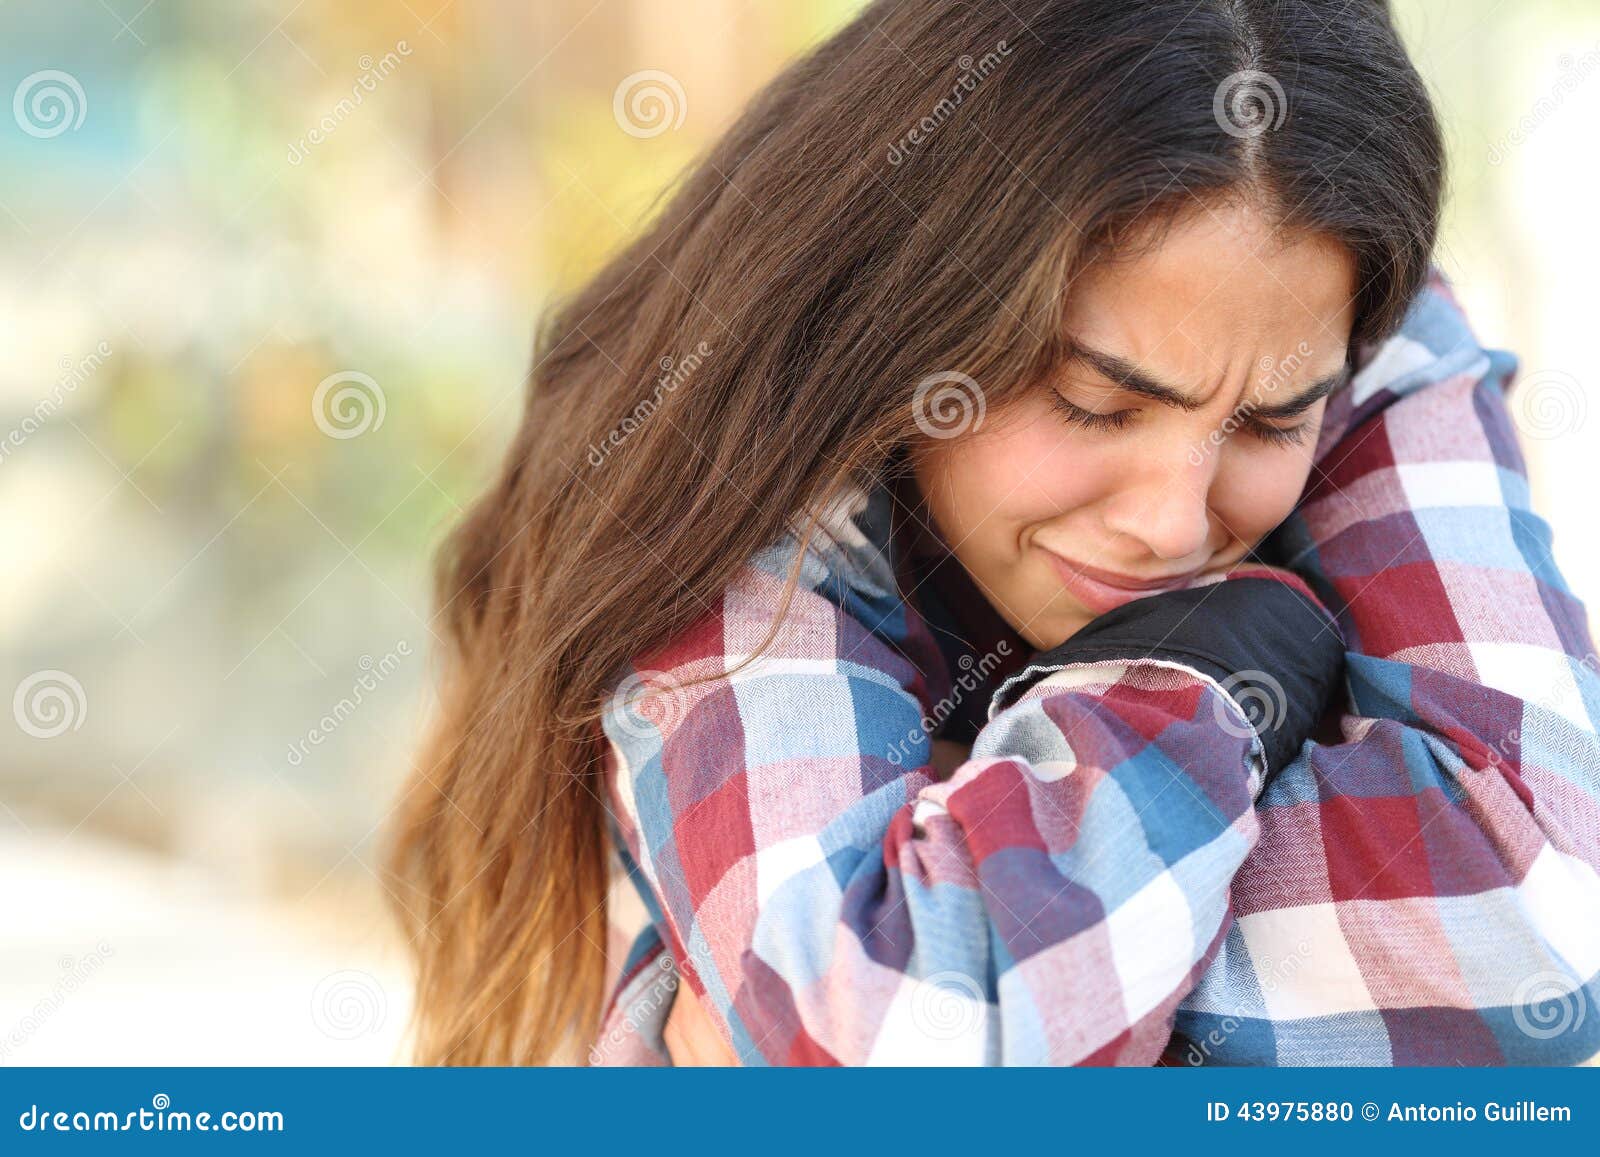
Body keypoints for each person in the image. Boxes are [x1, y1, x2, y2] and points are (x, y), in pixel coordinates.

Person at [385, 0, 1600, 1066]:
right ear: (916, 310)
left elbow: (1554, 927)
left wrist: (1027, 1004)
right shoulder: (730, 468)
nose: (1175, 521)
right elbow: (895, 1039)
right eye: (1093, 401)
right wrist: (1206, 673)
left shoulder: (1351, 321)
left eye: (1273, 422)